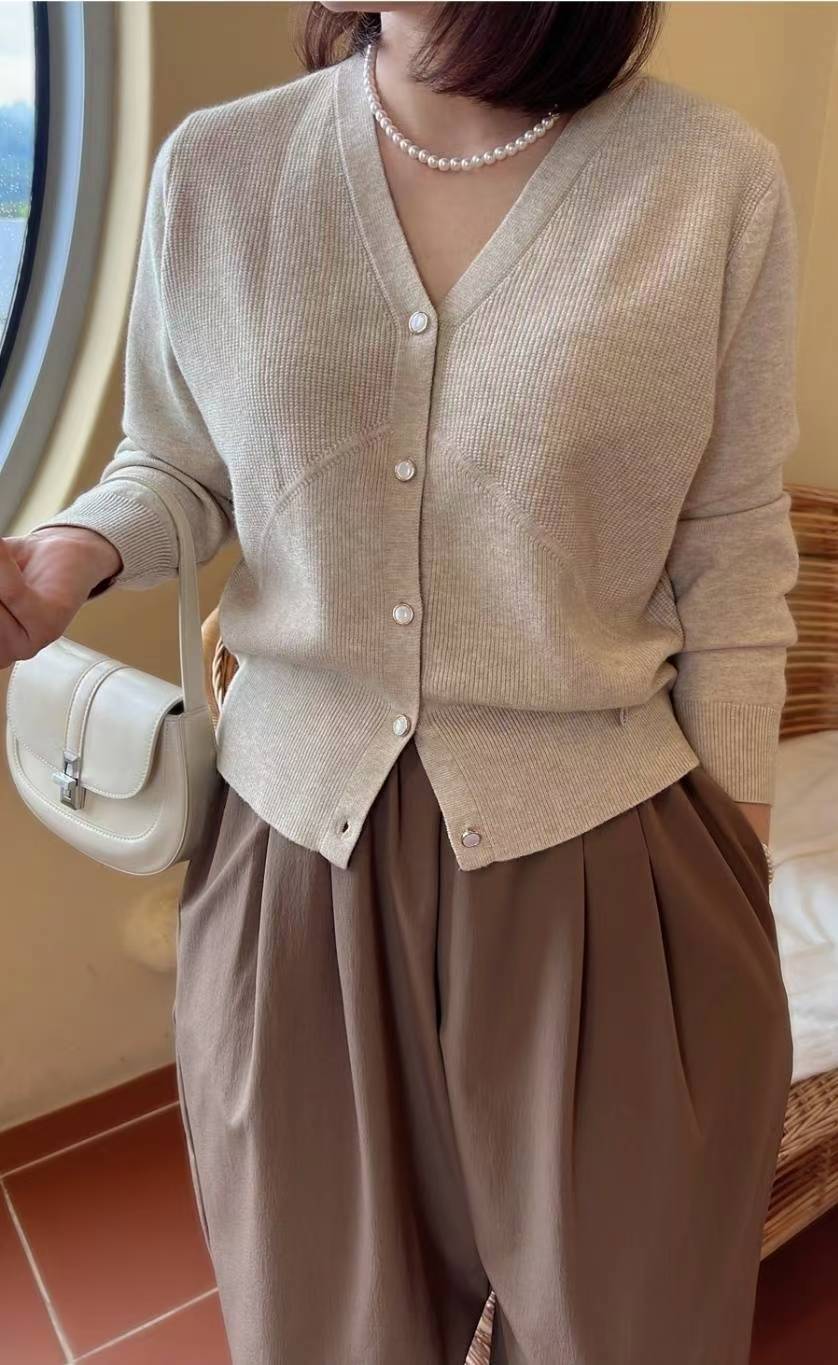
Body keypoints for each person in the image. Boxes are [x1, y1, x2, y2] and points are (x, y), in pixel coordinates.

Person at [1, 3, 799, 1362]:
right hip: (289, 876)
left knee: (634, 1328)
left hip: (606, 869)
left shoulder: (708, 182)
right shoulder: (219, 169)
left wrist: (728, 869)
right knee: (324, 1332)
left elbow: (731, 548)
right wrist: (78, 546)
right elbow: (179, 462)